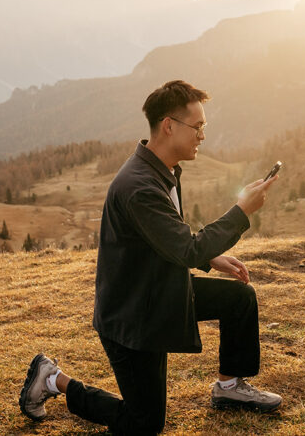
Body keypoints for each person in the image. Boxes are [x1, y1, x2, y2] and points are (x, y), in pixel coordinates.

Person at [18, 80, 281, 434]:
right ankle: (53, 379)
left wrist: (212, 257)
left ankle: (230, 387)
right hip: (134, 317)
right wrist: (241, 211)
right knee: (144, 423)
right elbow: (185, 249)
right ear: (169, 126)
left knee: (239, 299)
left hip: (160, 291)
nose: (203, 135)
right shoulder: (140, 186)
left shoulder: (163, 169)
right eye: (198, 126)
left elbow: (170, 235)